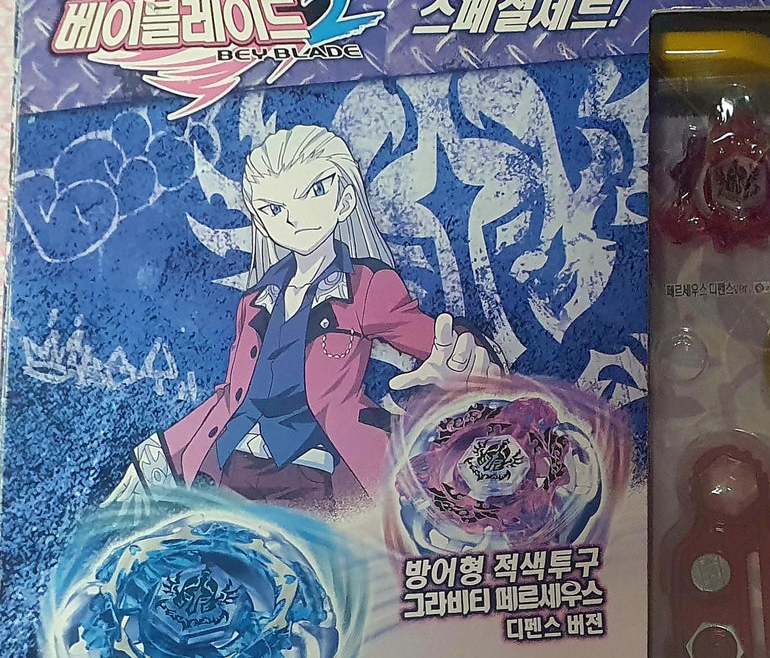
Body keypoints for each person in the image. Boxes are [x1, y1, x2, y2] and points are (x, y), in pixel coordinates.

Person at [108, 124, 499, 514]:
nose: (294, 218)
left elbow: (435, 341)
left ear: (345, 200)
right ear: (261, 221)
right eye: (274, 209)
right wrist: (156, 456)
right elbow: (229, 397)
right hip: (232, 471)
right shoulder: (255, 302)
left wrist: (465, 362)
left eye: (314, 192)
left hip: (315, 480)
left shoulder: (366, 287)